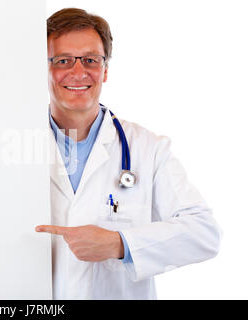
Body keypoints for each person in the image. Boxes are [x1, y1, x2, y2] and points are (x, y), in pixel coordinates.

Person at [35, 8, 222, 300]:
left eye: (90, 60)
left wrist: (119, 244)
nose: (78, 71)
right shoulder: (17, 146)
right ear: (42, 68)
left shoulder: (148, 148)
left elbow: (204, 233)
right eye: (63, 60)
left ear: (105, 69)